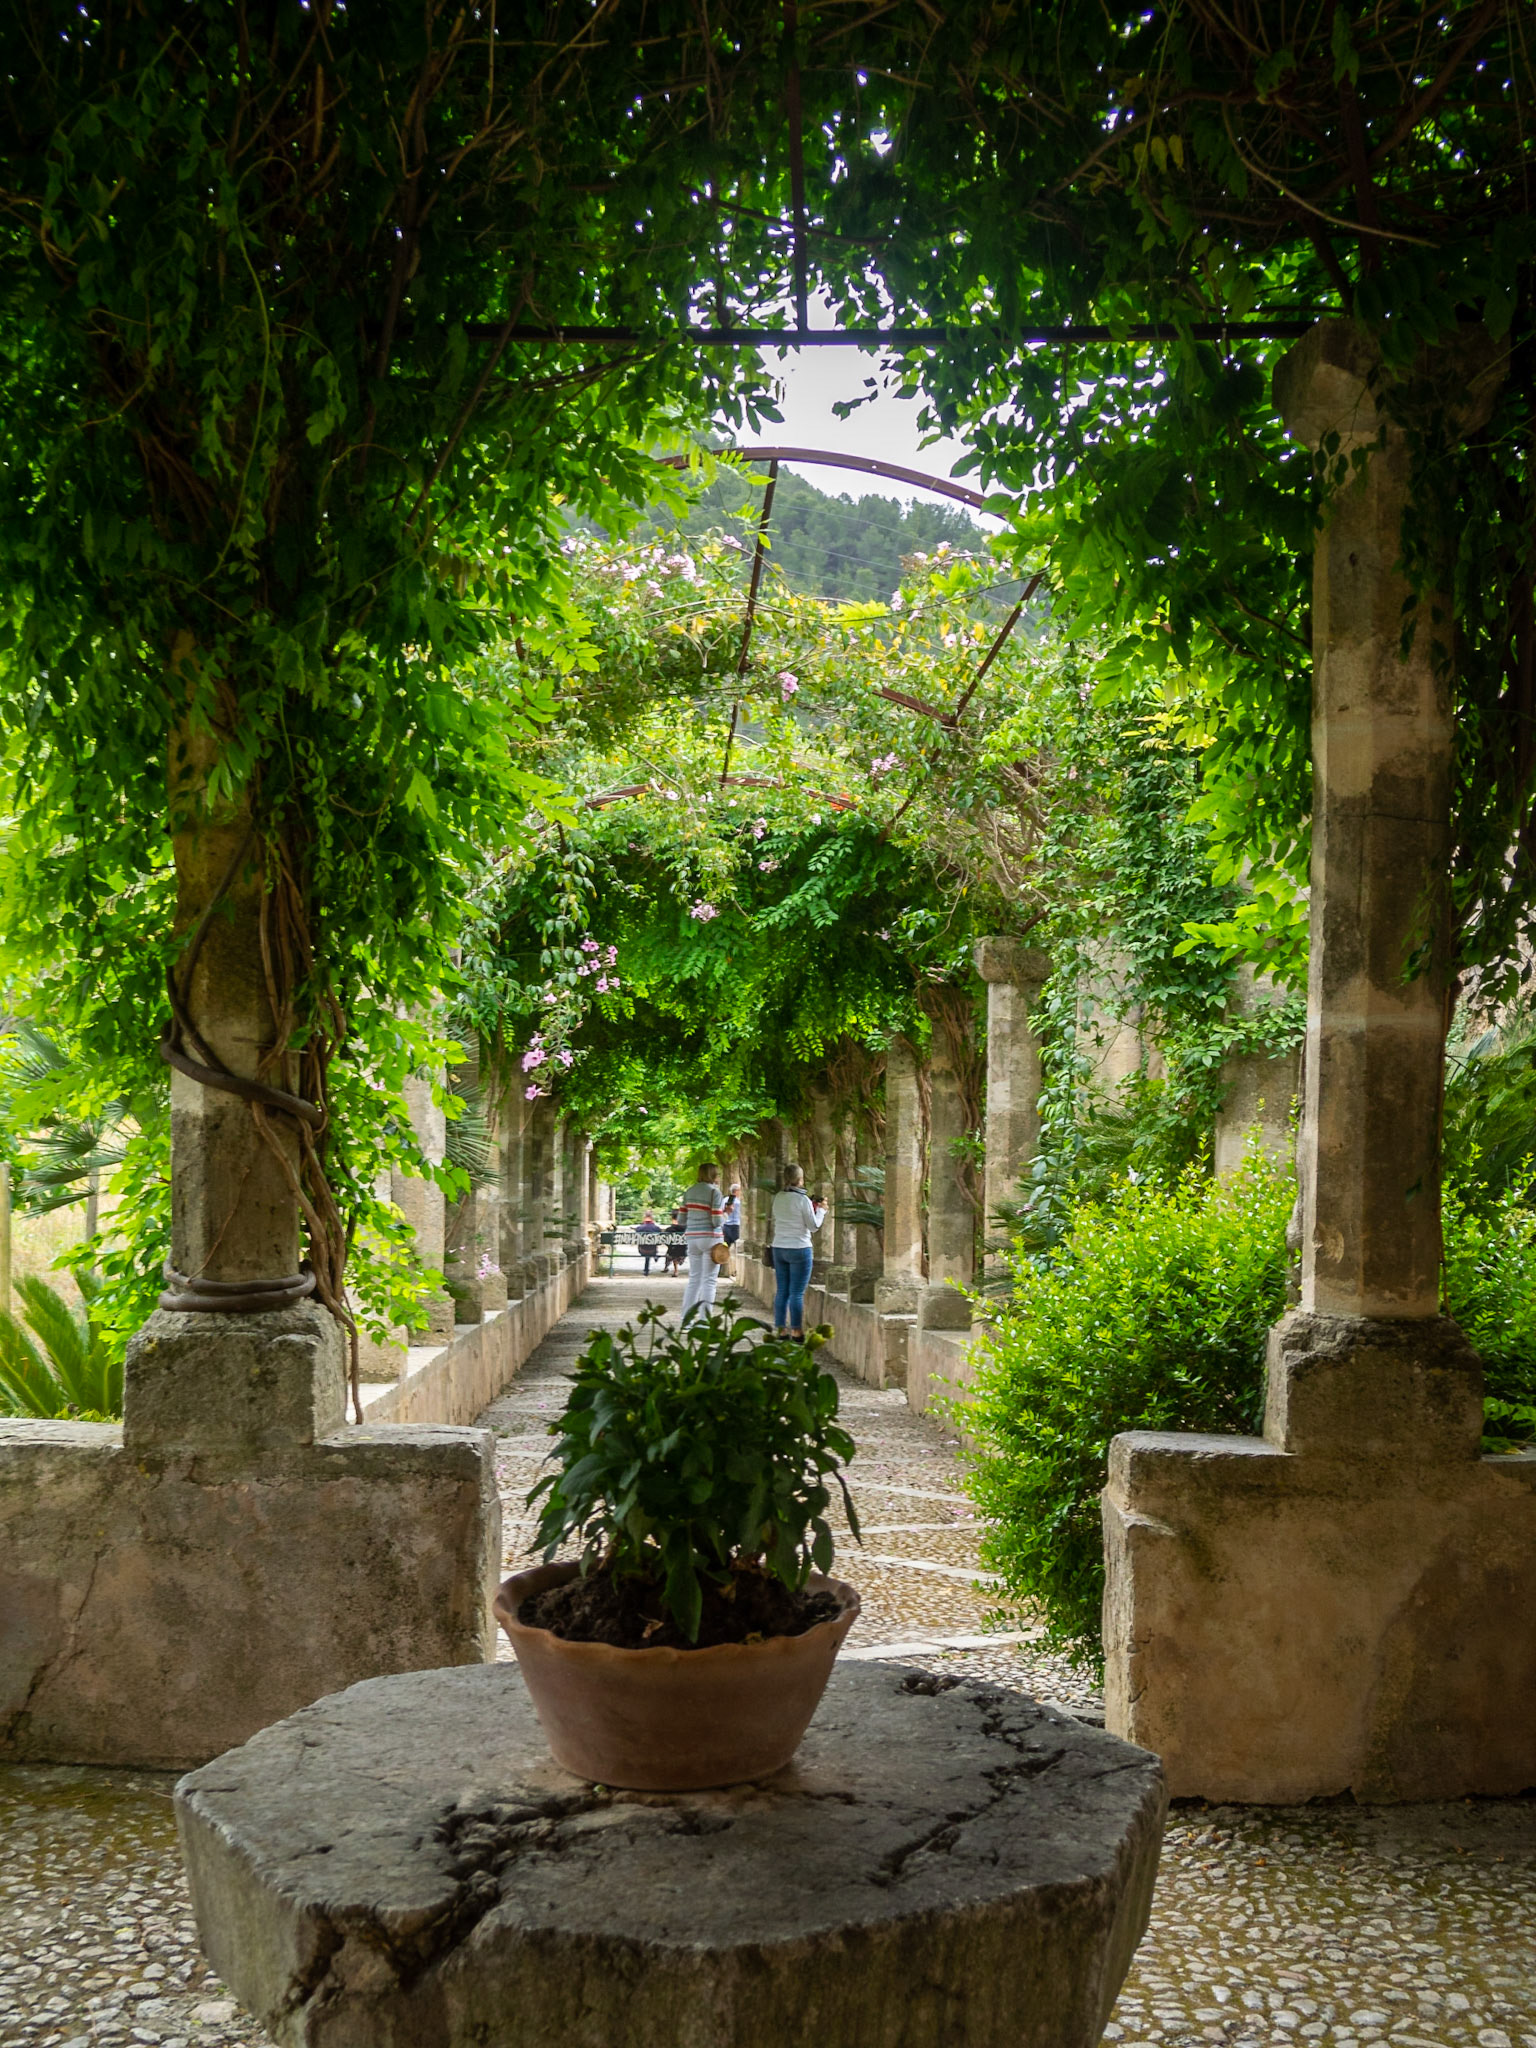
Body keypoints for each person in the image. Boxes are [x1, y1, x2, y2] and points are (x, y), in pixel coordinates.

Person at [769, 1163, 825, 1339]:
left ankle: (780, 1329)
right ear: (800, 1179)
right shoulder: (803, 1200)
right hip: (799, 1248)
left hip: (779, 1247)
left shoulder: (778, 1197)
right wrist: (821, 1211)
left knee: (782, 1291)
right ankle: (796, 1330)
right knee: (796, 1293)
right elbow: (813, 1226)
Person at [678, 1160, 727, 1322]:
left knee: (694, 1279)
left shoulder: (689, 1192)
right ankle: (704, 1321)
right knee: (709, 1281)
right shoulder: (714, 1192)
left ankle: (686, 1320)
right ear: (713, 1175)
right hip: (711, 1239)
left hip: (692, 1238)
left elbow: (681, 1219)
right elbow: (716, 1221)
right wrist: (726, 1214)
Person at [635, 1209, 662, 1276]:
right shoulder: (657, 1228)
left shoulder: (639, 1228)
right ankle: (655, 1255)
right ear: (652, 1217)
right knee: (652, 1246)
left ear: (644, 1217)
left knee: (645, 1247)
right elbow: (660, 1242)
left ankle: (646, 1270)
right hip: (653, 1250)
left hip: (642, 1250)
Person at [721, 1182, 742, 1249]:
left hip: (726, 1225)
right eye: (739, 1190)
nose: (740, 1192)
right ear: (736, 1191)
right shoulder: (738, 1202)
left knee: (726, 1245)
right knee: (736, 1245)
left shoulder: (724, 1200)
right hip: (735, 1226)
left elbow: (721, 1210)